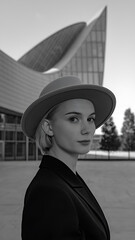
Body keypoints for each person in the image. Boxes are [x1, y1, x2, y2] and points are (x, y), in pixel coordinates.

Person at [21, 75, 116, 240]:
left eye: (90, 119)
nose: (87, 129)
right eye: (74, 119)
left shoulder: (67, 180)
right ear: (48, 127)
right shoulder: (49, 193)